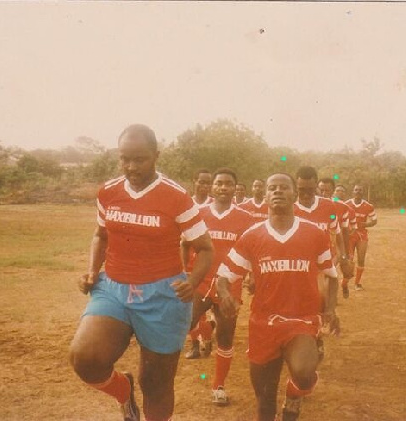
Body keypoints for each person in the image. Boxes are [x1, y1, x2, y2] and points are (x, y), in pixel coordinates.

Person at [69, 124, 214, 421]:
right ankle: (124, 391)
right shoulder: (109, 191)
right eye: (125, 159)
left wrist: (194, 280)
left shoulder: (176, 196)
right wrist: (92, 271)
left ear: (156, 156)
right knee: (85, 358)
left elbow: (206, 248)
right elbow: (101, 235)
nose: (131, 167)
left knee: (156, 384)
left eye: (140, 159)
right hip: (114, 289)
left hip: (163, 295)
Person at [216, 173, 338, 421]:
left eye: (284, 187)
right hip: (263, 323)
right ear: (265, 195)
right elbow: (223, 276)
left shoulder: (314, 233)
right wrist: (224, 293)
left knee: (304, 373)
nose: (278, 191)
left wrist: (331, 309)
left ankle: (294, 395)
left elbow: (331, 275)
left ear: (294, 194)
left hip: (301, 319)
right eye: (272, 188)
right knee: (264, 402)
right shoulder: (252, 236)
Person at [182, 168, 255, 406]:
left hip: (229, 285)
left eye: (228, 184)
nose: (223, 187)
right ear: (211, 187)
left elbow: (251, 251)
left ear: (235, 188)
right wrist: (184, 272)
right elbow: (184, 244)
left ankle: (218, 385)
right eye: (219, 183)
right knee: (184, 322)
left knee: (225, 336)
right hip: (200, 281)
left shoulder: (246, 218)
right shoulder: (197, 213)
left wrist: (252, 275)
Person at [295, 167, 346, 336]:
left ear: (316, 185)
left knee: (320, 298)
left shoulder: (328, 206)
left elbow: (337, 233)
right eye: (301, 190)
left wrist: (343, 256)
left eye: (310, 189)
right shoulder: (290, 208)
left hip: (322, 261)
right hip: (298, 262)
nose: (306, 194)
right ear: (296, 187)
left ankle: (318, 335)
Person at [318, 178, 357, 298]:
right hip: (314, 249)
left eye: (327, 190)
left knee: (327, 277)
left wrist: (345, 255)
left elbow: (345, 232)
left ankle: (330, 303)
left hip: (332, 250)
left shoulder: (342, 207)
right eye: (321, 190)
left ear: (333, 191)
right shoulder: (311, 206)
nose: (324, 194)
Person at [344, 185, 377, 291]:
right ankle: (345, 283)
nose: (358, 192)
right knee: (349, 260)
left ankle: (357, 283)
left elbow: (374, 220)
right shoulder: (346, 204)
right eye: (356, 190)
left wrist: (366, 224)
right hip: (349, 235)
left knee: (361, 259)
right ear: (353, 192)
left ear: (363, 192)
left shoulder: (368, 206)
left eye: (360, 190)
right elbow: (339, 218)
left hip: (362, 235)